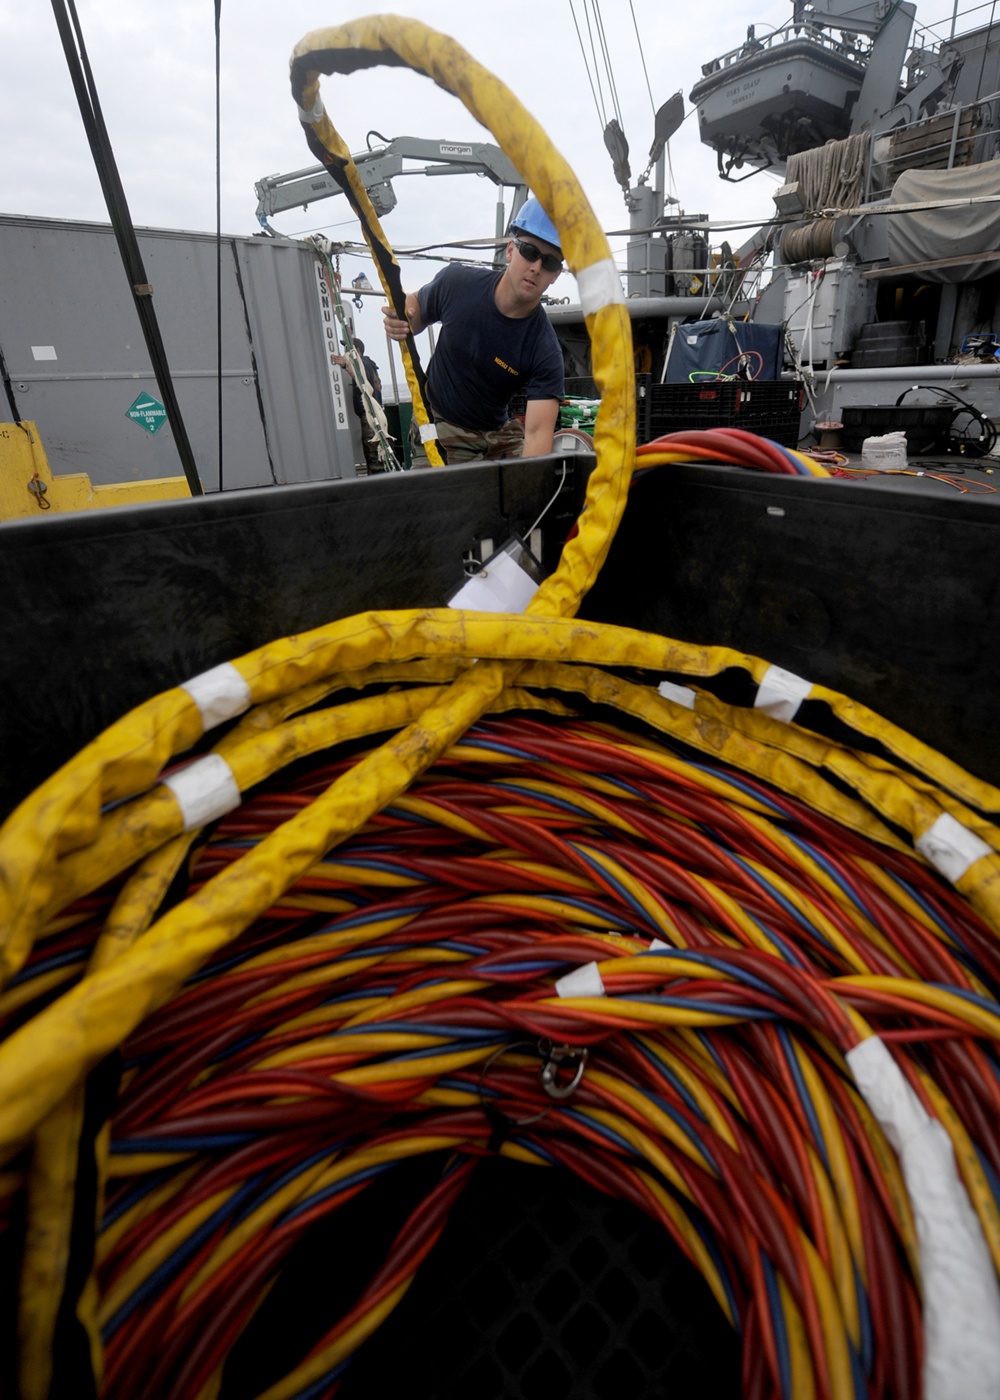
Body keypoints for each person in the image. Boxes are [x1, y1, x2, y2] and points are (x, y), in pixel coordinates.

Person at [381, 197, 565, 463]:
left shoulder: (545, 349)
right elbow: (416, 309)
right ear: (511, 250)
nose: (536, 267)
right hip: (441, 425)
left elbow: (537, 435)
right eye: (530, 252)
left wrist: (526, 491)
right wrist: (401, 318)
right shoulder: (457, 285)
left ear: (556, 275)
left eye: (549, 263)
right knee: (432, 502)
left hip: (498, 436)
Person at [333, 339, 385, 471]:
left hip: (370, 416)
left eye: (347, 351)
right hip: (375, 415)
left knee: (373, 455)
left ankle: (377, 484)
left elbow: (360, 378)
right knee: (377, 452)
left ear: (357, 351)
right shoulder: (370, 364)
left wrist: (345, 365)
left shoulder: (363, 365)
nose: (345, 354)